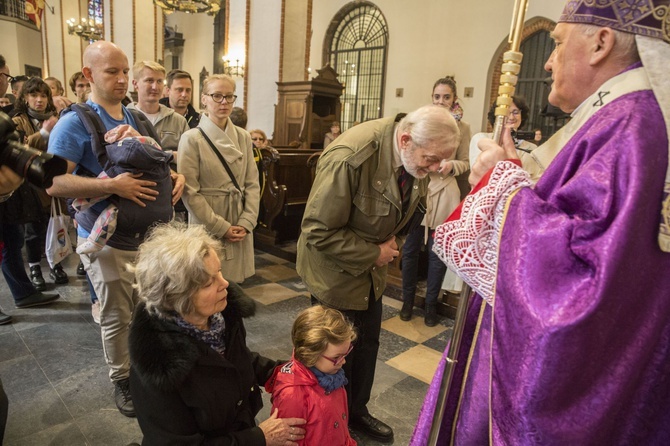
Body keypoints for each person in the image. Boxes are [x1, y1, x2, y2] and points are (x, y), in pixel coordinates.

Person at [412, 1, 670, 444]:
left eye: (556, 43)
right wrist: (512, 173)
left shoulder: (630, 125)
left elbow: (580, 286)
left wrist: (502, 184)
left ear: (600, 43)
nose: (548, 62)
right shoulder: (620, 118)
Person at [297, 105, 460, 443]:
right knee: (332, 353)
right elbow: (317, 230)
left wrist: (389, 247)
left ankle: (356, 412)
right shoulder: (351, 157)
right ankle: (324, 422)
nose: (435, 168)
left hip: (370, 273)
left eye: (440, 161)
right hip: (335, 274)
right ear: (405, 140)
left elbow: (412, 213)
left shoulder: (415, 157)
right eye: (431, 160)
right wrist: (376, 253)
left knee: (366, 345)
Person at [46, 41, 185, 418]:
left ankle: (147, 366)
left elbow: (152, 162)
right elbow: (54, 183)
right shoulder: (74, 122)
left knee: (150, 307)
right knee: (116, 315)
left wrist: (175, 176)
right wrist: (110, 186)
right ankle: (122, 378)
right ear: (89, 75)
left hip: (147, 237)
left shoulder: (136, 118)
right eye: (112, 71)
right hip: (107, 239)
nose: (122, 79)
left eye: (125, 71)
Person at [128, 223, 306, 445]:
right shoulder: (157, 367)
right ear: (176, 297)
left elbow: (234, 360)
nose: (224, 284)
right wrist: (258, 438)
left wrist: (280, 371)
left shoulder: (223, 316)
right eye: (208, 283)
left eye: (219, 271)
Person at [400, 76, 471, 326]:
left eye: (446, 97)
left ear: (454, 100)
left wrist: (451, 165)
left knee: (436, 253)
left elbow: (466, 162)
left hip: (445, 193)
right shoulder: (421, 123)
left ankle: (431, 305)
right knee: (409, 250)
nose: (441, 101)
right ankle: (407, 301)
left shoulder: (463, 128)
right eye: (437, 96)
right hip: (421, 188)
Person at [178, 74, 260, 284]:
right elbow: (190, 193)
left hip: (238, 215)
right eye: (217, 96)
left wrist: (247, 221)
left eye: (229, 97)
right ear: (204, 99)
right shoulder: (191, 138)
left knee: (234, 286)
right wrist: (221, 227)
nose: (224, 102)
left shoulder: (243, 136)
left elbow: (252, 182)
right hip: (208, 221)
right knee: (206, 282)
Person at [0, 59, 60, 316]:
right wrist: (44, 135)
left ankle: (23, 292)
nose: (6, 81)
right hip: (16, 192)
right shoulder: (14, 118)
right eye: (6, 75)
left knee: (12, 241)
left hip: (14, 195)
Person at [266, 305, 358, 446]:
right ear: (311, 355)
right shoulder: (292, 396)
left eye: (346, 353)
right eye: (338, 357)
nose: (344, 361)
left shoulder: (333, 375)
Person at [11, 77, 69, 289]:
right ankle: (35, 267)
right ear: (25, 98)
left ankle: (56, 263)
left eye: (43, 95)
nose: (39, 100)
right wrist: (43, 133)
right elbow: (19, 148)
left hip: (53, 179)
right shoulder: (18, 121)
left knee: (56, 223)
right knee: (34, 229)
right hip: (30, 183)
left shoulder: (56, 118)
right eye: (34, 95)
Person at [127, 61, 189, 152]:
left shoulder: (178, 121)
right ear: (135, 84)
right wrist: (170, 155)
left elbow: (188, 156)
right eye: (149, 80)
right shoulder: (124, 117)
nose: (155, 87)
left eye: (159, 81)